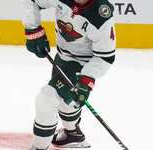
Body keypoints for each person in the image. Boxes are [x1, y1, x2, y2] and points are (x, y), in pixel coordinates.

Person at [21, 0, 116, 149]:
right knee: (66, 99)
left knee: (46, 99)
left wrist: (86, 79)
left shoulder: (101, 15)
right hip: (62, 56)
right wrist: (33, 29)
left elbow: (105, 57)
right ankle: (73, 133)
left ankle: (39, 147)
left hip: (83, 64)